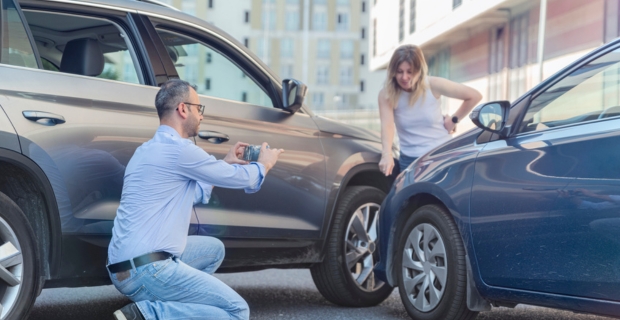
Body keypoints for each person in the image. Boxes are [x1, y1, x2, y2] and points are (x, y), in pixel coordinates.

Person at [107, 79, 283, 320]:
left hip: (122, 268)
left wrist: (225, 163)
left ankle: (176, 309)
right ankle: (148, 314)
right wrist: (265, 163)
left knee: (212, 250)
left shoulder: (147, 150)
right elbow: (243, 179)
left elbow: (196, 192)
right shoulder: (180, 150)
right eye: (198, 109)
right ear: (182, 109)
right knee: (237, 311)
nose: (201, 116)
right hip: (147, 269)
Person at [378, 44, 482, 175]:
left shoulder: (433, 85)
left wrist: (454, 120)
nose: (404, 77)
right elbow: (387, 126)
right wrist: (386, 154)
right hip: (410, 160)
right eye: (400, 71)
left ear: (419, 70)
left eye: (409, 71)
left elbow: (474, 96)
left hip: (441, 155)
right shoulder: (386, 94)